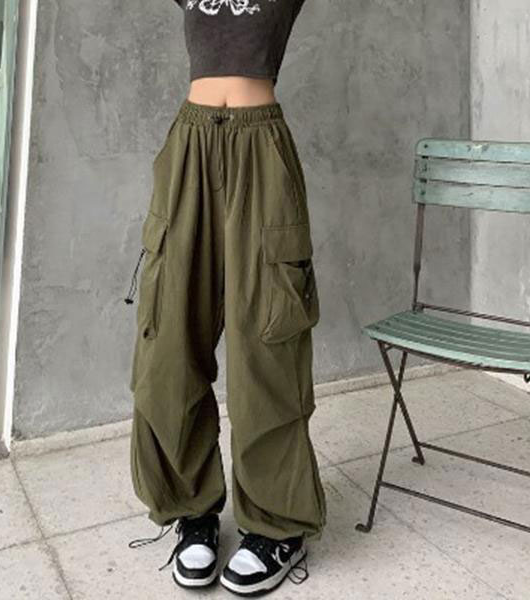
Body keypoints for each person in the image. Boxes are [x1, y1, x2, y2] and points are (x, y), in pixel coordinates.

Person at [126, 0, 326, 595]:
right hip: (188, 147)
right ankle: (193, 511)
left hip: (261, 149)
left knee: (268, 340)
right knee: (168, 339)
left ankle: (276, 524)